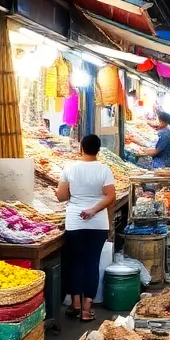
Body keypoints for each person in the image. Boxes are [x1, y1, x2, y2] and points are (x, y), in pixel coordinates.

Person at [57, 134, 117, 322]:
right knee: (92, 262)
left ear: (81, 147)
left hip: (75, 222)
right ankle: (86, 309)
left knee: (75, 262)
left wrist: (58, 192)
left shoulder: (69, 168)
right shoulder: (104, 170)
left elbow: (61, 196)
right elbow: (110, 196)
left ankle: (75, 304)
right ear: (99, 150)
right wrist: (93, 210)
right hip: (98, 223)